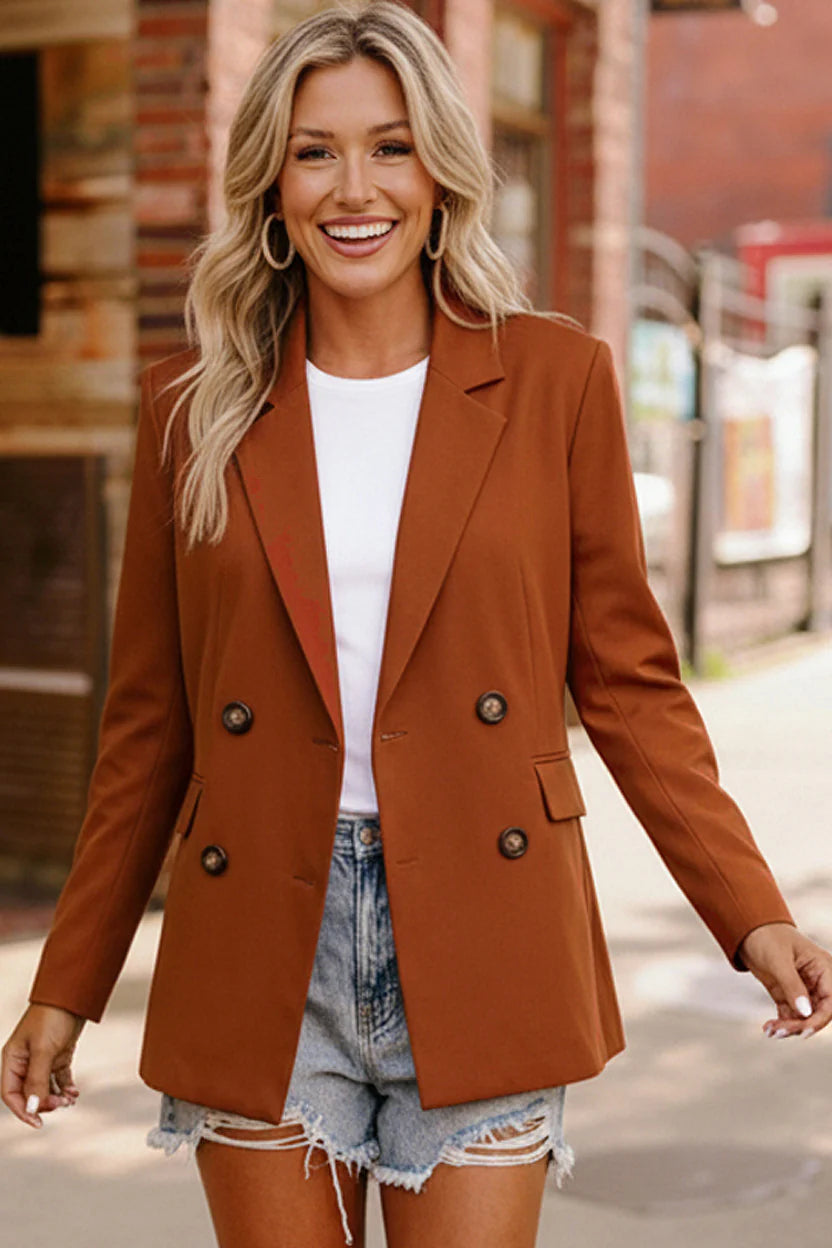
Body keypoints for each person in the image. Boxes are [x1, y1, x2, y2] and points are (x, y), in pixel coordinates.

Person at [2, 3, 830, 1246]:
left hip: (485, 919)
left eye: (390, 147)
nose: (355, 187)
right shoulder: (195, 409)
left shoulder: (555, 381)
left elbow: (629, 684)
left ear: (442, 174)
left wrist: (748, 907)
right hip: (261, 934)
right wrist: (69, 982)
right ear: (271, 185)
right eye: (314, 149)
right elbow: (148, 725)